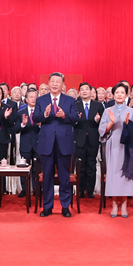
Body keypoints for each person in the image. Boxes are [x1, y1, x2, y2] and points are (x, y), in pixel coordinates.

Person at [33, 72, 78, 217]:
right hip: (47, 143)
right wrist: (45, 115)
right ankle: (47, 207)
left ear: (62, 84)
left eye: (58, 81)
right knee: (47, 176)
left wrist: (65, 115)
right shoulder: (41, 100)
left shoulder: (70, 100)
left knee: (64, 177)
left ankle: (65, 207)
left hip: (64, 143)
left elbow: (75, 117)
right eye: (52, 81)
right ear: (48, 83)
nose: (54, 84)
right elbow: (35, 117)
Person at [98, 83, 133, 218]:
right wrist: (111, 122)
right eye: (117, 92)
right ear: (113, 95)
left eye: (122, 92)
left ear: (126, 95)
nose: (119, 95)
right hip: (113, 145)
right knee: (113, 175)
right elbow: (101, 130)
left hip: (127, 147)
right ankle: (114, 204)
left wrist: (129, 125)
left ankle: (124, 205)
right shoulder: (107, 110)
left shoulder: (132, 112)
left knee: (125, 176)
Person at [73, 82, 103, 198]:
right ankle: (80, 190)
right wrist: (76, 120)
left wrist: (97, 121)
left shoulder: (98, 105)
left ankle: (90, 190)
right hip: (79, 140)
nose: (84, 91)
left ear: (91, 91)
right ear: (79, 92)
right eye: (82, 89)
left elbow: (103, 123)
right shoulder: (75, 105)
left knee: (91, 165)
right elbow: (70, 123)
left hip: (93, 139)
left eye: (87, 89)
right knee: (80, 165)